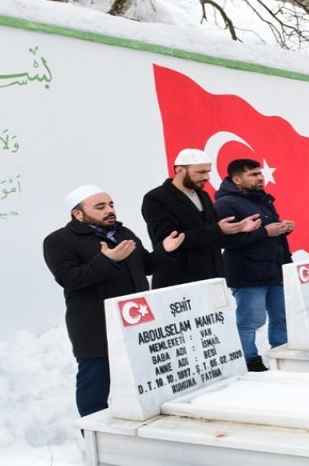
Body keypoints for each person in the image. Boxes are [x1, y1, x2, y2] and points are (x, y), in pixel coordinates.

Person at [43, 185, 183, 416]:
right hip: (95, 326)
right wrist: (107, 261)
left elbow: (146, 265)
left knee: (143, 381)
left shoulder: (123, 233)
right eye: (100, 207)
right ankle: (95, 438)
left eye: (111, 205)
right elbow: (70, 279)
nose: (110, 210)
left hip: (137, 321)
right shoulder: (59, 240)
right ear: (77, 214)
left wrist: (165, 251)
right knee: (95, 385)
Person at [215, 159, 294, 372]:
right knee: (251, 321)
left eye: (260, 173)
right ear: (237, 179)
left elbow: (267, 233)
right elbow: (225, 241)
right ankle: (249, 359)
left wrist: (284, 228)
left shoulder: (262, 199)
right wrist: (265, 232)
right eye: (253, 174)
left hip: (274, 270)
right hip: (248, 273)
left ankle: (281, 352)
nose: (260, 177)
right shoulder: (226, 204)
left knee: (281, 317)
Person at [141, 148, 259, 289]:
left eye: (208, 171)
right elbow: (170, 240)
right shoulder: (156, 198)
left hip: (213, 279)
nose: (207, 177)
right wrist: (217, 229)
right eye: (201, 172)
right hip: (179, 284)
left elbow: (215, 238)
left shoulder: (203, 195)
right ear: (180, 171)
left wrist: (239, 229)